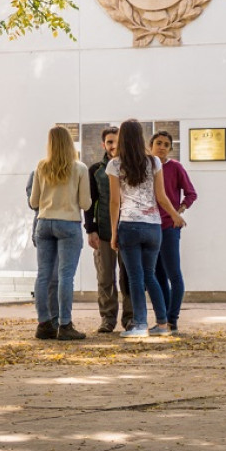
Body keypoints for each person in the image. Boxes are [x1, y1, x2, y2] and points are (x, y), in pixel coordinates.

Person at [108, 119, 186, 338]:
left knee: (135, 277)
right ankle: (163, 324)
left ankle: (140, 324)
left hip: (129, 225)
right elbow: (161, 196)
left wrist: (114, 232)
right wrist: (174, 215)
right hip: (154, 227)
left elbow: (115, 202)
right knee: (150, 275)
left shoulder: (115, 164)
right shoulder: (154, 162)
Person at [29, 126, 92, 341]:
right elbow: (85, 203)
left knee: (44, 274)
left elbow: (33, 202)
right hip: (69, 224)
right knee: (66, 276)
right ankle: (65, 325)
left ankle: (44, 323)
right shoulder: (80, 168)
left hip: (44, 223)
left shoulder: (41, 166)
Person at [84, 125, 134, 334]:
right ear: (103, 145)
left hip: (128, 230)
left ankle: (131, 318)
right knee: (105, 278)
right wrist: (90, 229)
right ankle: (107, 319)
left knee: (128, 276)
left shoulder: (132, 168)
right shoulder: (95, 170)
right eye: (110, 142)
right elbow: (90, 202)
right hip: (103, 232)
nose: (114, 146)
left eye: (117, 141)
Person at [150, 130, 197, 333]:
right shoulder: (147, 167)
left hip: (169, 227)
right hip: (149, 226)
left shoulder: (175, 167)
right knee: (157, 275)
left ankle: (173, 318)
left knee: (174, 275)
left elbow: (191, 193)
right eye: (158, 143)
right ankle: (164, 320)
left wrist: (179, 210)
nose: (162, 147)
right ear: (151, 145)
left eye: (166, 144)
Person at [26, 170, 58, 338]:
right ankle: (47, 321)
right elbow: (32, 203)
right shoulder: (38, 172)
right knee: (49, 276)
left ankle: (54, 320)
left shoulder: (73, 170)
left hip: (49, 226)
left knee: (53, 277)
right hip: (46, 226)